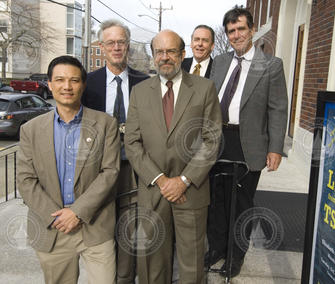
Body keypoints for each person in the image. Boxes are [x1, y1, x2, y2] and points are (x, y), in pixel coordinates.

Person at [124, 29, 222, 284]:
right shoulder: (140, 92)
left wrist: (184, 180)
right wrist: (160, 179)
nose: (164, 57)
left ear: (182, 54)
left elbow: (212, 140)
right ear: (153, 55)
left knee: (192, 265)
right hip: (153, 189)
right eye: (159, 51)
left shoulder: (204, 88)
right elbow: (132, 141)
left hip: (191, 191)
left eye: (171, 51)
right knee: (152, 262)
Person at [17, 55, 120, 284]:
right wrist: (57, 217)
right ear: (50, 84)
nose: (67, 86)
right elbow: (25, 180)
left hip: (95, 225)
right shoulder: (30, 130)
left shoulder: (105, 124)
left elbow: (110, 172)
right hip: (52, 228)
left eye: (74, 80)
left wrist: (77, 212)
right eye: (60, 80)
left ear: (83, 85)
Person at [206, 7, 288, 278]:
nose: (236, 35)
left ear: (252, 30)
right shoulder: (218, 62)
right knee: (215, 200)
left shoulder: (271, 66)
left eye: (241, 29)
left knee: (241, 203)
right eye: (231, 31)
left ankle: (236, 255)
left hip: (248, 143)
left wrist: (275, 148)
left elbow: (278, 109)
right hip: (217, 141)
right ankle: (217, 247)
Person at [81, 19, 149, 284]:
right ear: (102, 46)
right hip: (97, 169)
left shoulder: (144, 83)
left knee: (129, 226)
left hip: (133, 169)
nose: (117, 47)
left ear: (128, 46)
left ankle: (124, 277)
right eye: (111, 43)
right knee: (100, 227)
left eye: (121, 42)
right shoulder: (88, 83)